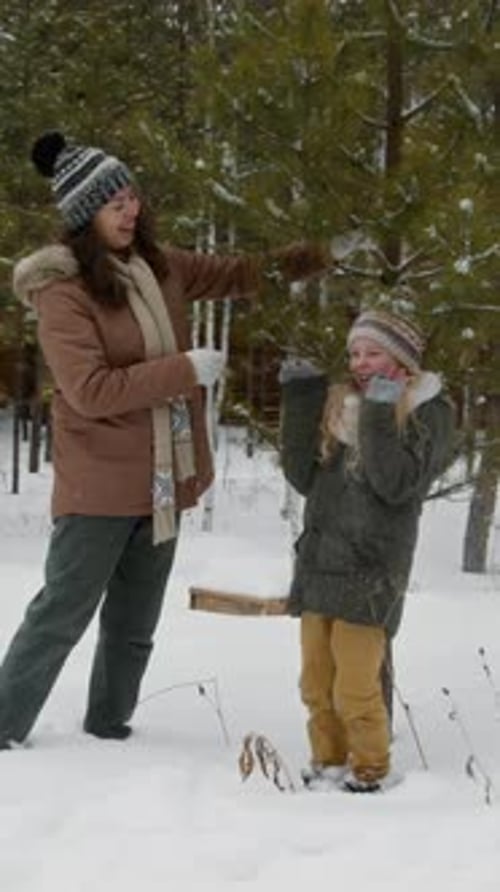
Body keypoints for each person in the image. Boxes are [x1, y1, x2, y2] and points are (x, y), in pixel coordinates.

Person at [0, 131, 330, 750]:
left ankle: (109, 728)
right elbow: (90, 389)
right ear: (82, 216)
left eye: (132, 197)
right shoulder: (62, 291)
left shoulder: (160, 266)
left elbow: (234, 274)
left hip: (162, 479)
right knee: (60, 615)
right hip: (99, 485)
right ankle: (2, 729)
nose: (130, 210)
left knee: (134, 621)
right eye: (113, 203)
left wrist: (310, 255)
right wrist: (183, 371)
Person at [279, 309, 455, 792]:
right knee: (316, 685)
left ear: (402, 359)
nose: (361, 363)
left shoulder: (429, 411)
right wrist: (300, 401)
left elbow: (394, 483)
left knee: (355, 687)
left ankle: (371, 770)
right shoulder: (342, 406)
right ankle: (328, 762)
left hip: (371, 571)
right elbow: (302, 477)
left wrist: (382, 404)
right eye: (355, 353)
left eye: (374, 352)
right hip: (320, 565)